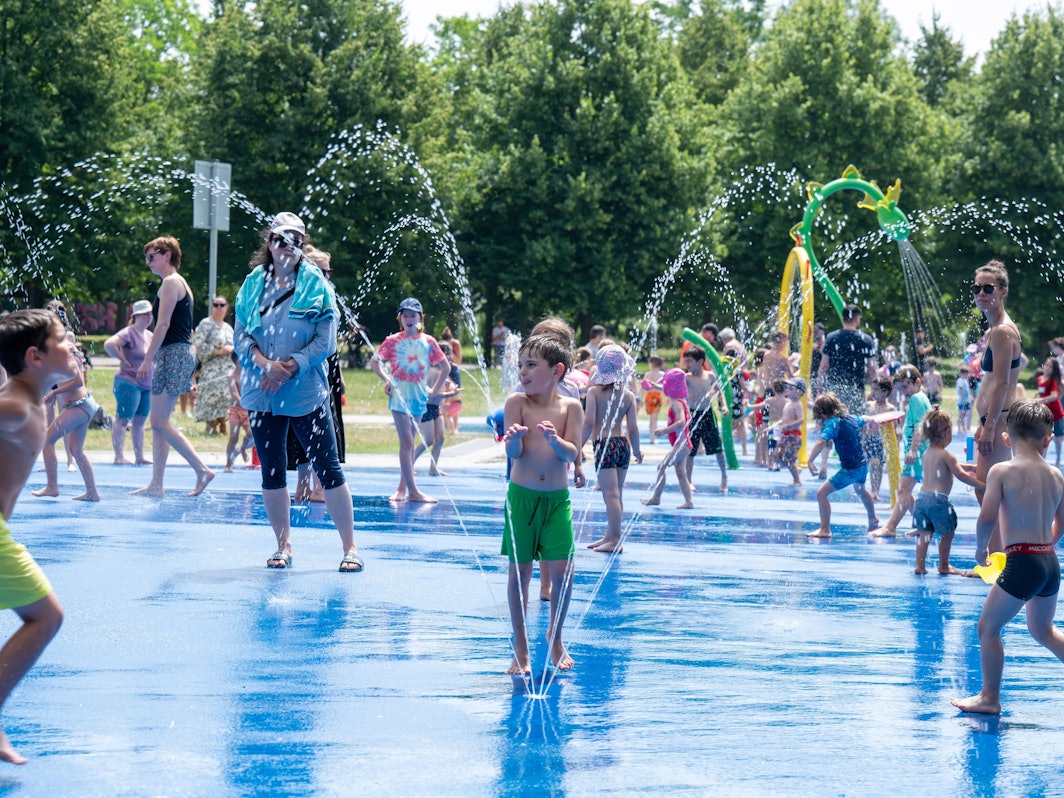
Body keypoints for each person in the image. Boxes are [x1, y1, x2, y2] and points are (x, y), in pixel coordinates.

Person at [234, 211, 363, 572]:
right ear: (269, 244)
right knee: (272, 470)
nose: (285, 246)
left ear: (302, 246)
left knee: (328, 467)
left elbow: (326, 341)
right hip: (261, 390)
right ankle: (283, 545)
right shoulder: (252, 284)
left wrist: (290, 366)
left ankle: (350, 546)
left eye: (293, 240)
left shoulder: (317, 285)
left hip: (305, 390)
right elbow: (240, 336)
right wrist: (265, 365)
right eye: (279, 239)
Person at [951, 401, 1064, 716]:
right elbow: (1062, 524)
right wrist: (1044, 546)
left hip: (1022, 562)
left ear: (1005, 438)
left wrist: (980, 550)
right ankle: (988, 696)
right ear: (1047, 439)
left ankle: (990, 697)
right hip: (1049, 563)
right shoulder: (1057, 475)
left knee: (988, 628)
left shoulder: (1002, 471)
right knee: (1043, 631)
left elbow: (986, 517)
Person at [0, 309, 70, 764]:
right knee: (46, 616)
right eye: (62, 340)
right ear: (34, 356)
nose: (72, 346)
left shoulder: (34, 397)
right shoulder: (13, 405)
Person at [501, 334, 582, 674]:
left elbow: (573, 453)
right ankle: (520, 645)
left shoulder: (571, 408)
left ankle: (556, 634)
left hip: (556, 501)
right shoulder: (516, 403)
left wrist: (555, 440)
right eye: (521, 364)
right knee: (520, 574)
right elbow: (512, 454)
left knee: (564, 572)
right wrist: (514, 441)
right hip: (522, 498)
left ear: (557, 370)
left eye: (532, 365)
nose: (523, 371)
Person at [132, 236, 215, 497]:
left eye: (151, 256)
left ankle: (202, 470)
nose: (148, 262)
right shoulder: (181, 284)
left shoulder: (170, 283)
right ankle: (157, 483)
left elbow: (164, 325)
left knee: (158, 422)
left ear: (167, 255)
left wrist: (147, 359)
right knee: (159, 423)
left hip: (173, 354)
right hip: (177, 353)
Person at [371, 297, 450, 503]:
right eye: (405, 315)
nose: (409, 319)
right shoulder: (392, 341)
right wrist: (387, 379)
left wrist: (434, 390)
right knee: (406, 441)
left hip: (418, 399)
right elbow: (374, 362)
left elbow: (445, 368)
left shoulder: (429, 342)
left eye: (413, 315)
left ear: (420, 318)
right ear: (400, 318)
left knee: (410, 442)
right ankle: (413, 491)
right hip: (399, 397)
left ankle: (401, 489)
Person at [285, 245, 346, 503]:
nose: (324, 276)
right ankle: (303, 484)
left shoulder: (327, 295)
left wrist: (339, 375)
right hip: (302, 365)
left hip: (323, 368)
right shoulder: (298, 293)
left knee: (325, 428)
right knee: (299, 431)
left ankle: (320, 485)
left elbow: (331, 343)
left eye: (327, 272)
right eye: (319, 270)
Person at [973, 261, 1024, 554]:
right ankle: (999, 557)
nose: (981, 293)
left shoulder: (1003, 331)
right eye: (976, 288)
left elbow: (1003, 384)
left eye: (988, 288)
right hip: (993, 419)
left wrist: (989, 427)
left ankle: (999, 559)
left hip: (1000, 420)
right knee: (987, 491)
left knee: (990, 493)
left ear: (1003, 291)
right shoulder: (996, 329)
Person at [30, 320, 100, 502]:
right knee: (76, 450)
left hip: (79, 406)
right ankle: (92, 492)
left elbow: (77, 381)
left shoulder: (64, 354)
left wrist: (54, 392)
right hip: (83, 405)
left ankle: (52, 486)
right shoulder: (58, 353)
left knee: (47, 439)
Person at [582, 344, 642, 554]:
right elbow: (633, 429)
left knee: (611, 495)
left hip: (604, 445)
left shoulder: (594, 393)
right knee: (617, 494)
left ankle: (616, 539)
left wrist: (577, 447)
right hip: (622, 445)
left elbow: (589, 423)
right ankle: (610, 535)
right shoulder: (628, 396)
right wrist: (636, 451)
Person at [911, 408, 984, 575]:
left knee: (925, 534)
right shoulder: (947, 455)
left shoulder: (928, 453)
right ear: (947, 433)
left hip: (921, 499)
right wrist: (982, 485)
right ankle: (944, 565)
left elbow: (950, 467)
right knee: (948, 532)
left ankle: (920, 566)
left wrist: (970, 467)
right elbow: (960, 475)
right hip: (938, 500)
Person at [805, 392, 879, 538]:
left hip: (851, 469)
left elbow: (821, 441)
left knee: (821, 493)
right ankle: (873, 518)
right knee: (861, 490)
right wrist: (872, 420)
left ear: (822, 414)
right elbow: (863, 418)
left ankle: (824, 529)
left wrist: (810, 460)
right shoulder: (850, 418)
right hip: (862, 465)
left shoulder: (832, 423)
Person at [871, 365, 931, 537]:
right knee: (906, 491)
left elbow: (920, 425)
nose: (903, 391)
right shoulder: (919, 397)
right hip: (921, 452)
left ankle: (890, 527)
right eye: (899, 388)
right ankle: (922, 525)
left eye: (905, 386)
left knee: (903, 490)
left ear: (917, 382)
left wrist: (912, 449)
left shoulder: (916, 399)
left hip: (918, 452)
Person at [104, 300, 154, 465]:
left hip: (146, 385)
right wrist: (123, 359)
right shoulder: (129, 333)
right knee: (123, 419)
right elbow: (109, 344)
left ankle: (139, 456)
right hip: (128, 381)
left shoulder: (149, 335)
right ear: (136, 316)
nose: (149, 317)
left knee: (139, 421)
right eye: (145, 314)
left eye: (150, 313)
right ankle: (118, 456)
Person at [641, 368, 694, 509]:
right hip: (683, 444)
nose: (663, 387)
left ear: (672, 386)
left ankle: (656, 497)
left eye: (665, 384)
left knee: (662, 466)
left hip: (681, 445)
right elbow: (664, 388)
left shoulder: (677, 404)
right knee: (680, 473)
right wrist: (653, 385)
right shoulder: (679, 400)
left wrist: (664, 431)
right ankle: (689, 501)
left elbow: (681, 422)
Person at [682, 347, 728, 493]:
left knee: (717, 448)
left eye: (690, 361)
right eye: (686, 361)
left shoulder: (709, 376)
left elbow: (720, 392)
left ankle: (724, 477)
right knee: (691, 450)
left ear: (700, 361)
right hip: (692, 415)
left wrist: (724, 406)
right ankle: (688, 480)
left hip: (708, 415)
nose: (687, 364)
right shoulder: (686, 378)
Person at [819, 303, 877, 416]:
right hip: (856, 388)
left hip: (834, 388)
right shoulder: (866, 339)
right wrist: (874, 390)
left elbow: (824, 366)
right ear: (857, 319)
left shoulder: (831, 337)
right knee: (855, 422)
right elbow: (872, 369)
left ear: (843, 319)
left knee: (834, 421)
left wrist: (820, 389)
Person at [192, 295, 235, 435]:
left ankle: (222, 424)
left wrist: (232, 348)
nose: (218, 308)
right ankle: (211, 427)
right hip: (211, 368)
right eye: (216, 305)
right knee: (211, 398)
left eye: (222, 305)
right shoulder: (206, 324)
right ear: (212, 307)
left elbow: (236, 345)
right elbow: (198, 343)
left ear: (227, 308)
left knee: (225, 398)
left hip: (227, 369)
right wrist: (214, 350)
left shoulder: (228, 327)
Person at [769, 377, 805, 487]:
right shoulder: (788, 403)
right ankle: (796, 469)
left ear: (799, 392)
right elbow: (783, 419)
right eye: (787, 388)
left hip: (793, 436)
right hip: (786, 435)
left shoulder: (797, 404)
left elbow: (801, 420)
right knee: (777, 456)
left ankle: (797, 480)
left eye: (791, 388)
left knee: (789, 459)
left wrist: (788, 426)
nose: (787, 390)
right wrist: (774, 426)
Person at [863, 376, 895, 500]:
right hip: (870, 439)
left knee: (879, 465)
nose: (873, 392)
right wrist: (863, 440)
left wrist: (896, 440)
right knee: (873, 463)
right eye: (872, 389)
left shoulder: (889, 408)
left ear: (885, 392)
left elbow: (893, 428)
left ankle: (876, 490)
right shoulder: (869, 406)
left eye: (876, 390)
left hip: (882, 441)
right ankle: (874, 490)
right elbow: (864, 425)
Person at [223, 353, 253, 472]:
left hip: (247, 410)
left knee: (251, 434)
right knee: (233, 437)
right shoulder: (232, 376)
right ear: (235, 361)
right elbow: (235, 394)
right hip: (235, 410)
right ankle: (228, 464)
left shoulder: (249, 376)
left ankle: (242, 448)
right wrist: (245, 403)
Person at [1036, 355, 1064, 466]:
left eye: (1051, 367)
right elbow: (1042, 392)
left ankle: (1058, 458)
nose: (1047, 368)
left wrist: (1040, 400)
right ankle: (1042, 458)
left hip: (1056, 414)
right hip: (1044, 413)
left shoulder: (1053, 381)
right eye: (1047, 365)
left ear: (1054, 370)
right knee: (1043, 436)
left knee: (1057, 438)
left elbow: (1054, 396)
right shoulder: (1040, 379)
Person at [955, 367, 973, 434]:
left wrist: (970, 397)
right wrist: (964, 399)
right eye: (967, 374)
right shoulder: (960, 380)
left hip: (966, 400)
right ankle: (959, 428)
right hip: (962, 401)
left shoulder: (965, 380)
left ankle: (964, 427)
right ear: (964, 373)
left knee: (965, 414)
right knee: (961, 414)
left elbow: (967, 391)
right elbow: (961, 390)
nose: (968, 375)